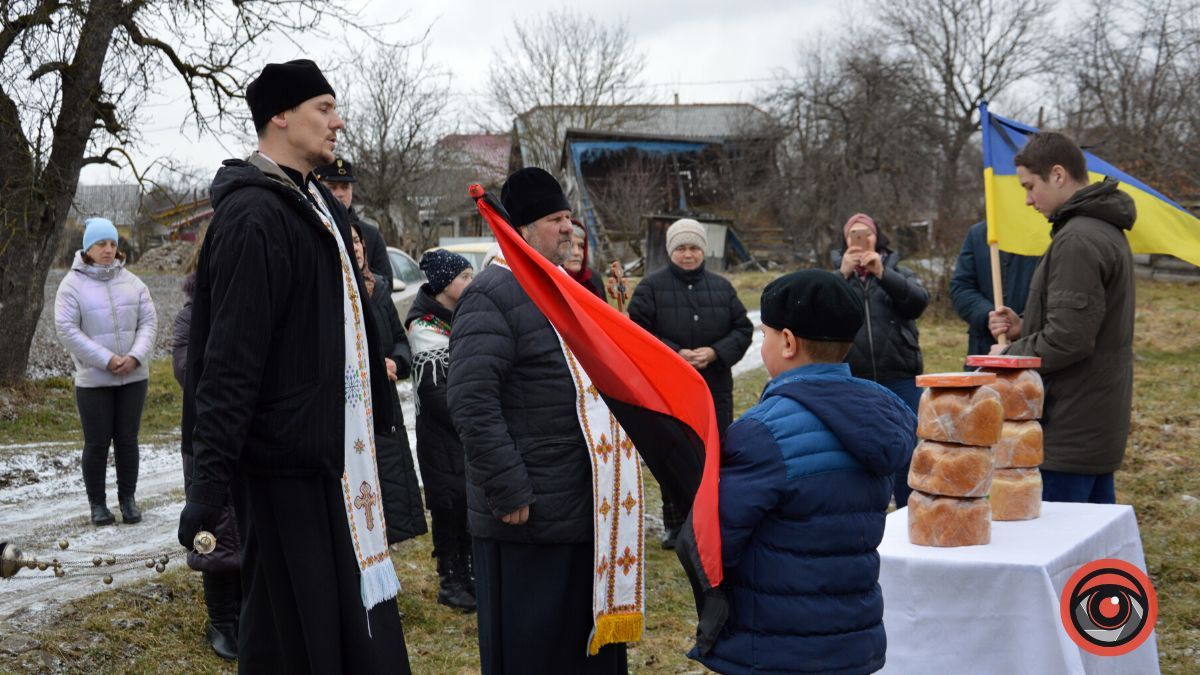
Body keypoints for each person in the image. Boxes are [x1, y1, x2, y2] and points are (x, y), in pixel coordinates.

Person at [175, 59, 411, 672]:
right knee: (296, 640)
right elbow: (230, 360)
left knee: (343, 634)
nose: (338, 122)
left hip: (335, 460)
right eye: (323, 108)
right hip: (285, 467)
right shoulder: (254, 215)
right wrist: (207, 485)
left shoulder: (317, 204)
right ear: (280, 115)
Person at [447, 167, 629, 674]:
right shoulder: (492, 294)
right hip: (526, 515)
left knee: (577, 646)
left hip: (578, 502)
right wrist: (508, 490)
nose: (569, 228)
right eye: (555, 219)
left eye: (569, 217)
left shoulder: (559, 287)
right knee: (534, 650)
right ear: (522, 228)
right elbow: (471, 400)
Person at [692, 269, 917, 675]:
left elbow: (715, 544)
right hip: (852, 639)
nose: (763, 345)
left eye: (765, 335)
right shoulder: (878, 417)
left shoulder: (762, 433)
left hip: (776, 647)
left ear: (788, 342)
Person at [988, 131, 1135, 505]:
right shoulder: (1100, 230)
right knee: (1095, 539)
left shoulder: (1077, 240)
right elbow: (1086, 322)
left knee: (1060, 537)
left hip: (1069, 428)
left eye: (1030, 186)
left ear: (1057, 175)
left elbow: (1068, 339)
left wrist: (1006, 356)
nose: (1027, 200)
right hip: (1093, 423)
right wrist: (1025, 325)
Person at [628, 218, 752, 548]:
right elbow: (636, 330)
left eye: (694, 248)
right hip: (667, 388)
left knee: (713, 452)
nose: (688, 254)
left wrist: (715, 352)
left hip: (714, 387)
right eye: (681, 248)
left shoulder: (722, 288)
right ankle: (675, 523)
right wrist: (673, 354)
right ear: (671, 251)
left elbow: (743, 329)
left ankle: (712, 519)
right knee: (672, 454)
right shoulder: (650, 288)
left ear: (703, 251)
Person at [54, 217, 158, 526]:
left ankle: (128, 500)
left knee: (127, 440)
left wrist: (135, 357)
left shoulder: (134, 283)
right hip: (94, 379)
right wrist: (106, 360)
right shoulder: (71, 285)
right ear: (87, 248)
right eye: (101, 244)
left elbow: (149, 322)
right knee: (97, 444)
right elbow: (66, 328)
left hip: (133, 377)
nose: (109, 249)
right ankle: (98, 505)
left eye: (113, 243)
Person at [171, 229, 240, 661]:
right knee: (215, 529)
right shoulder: (191, 315)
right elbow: (187, 370)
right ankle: (221, 620)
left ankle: (249, 611)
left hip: (249, 434)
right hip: (205, 434)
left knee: (247, 525)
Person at [833, 213, 928, 507]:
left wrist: (883, 273)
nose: (861, 239)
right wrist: (842, 276)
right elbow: (819, 312)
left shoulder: (898, 271)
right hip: (853, 378)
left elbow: (918, 303)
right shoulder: (835, 277)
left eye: (867, 233)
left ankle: (908, 510)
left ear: (877, 237)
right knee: (857, 447)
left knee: (905, 447)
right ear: (846, 240)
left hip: (900, 375)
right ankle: (865, 511)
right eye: (854, 233)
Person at [405, 249, 476, 611]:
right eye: (464, 277)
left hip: (463, 433)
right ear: (444, 284)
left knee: (468, 504)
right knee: (449, 505)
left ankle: (469, 575)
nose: (470, 282)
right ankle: (450, 579)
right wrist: (472, 414)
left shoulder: (462, 317)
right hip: (441, 436)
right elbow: (436, 394)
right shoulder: (425, 328)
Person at [350, 220, 427, 547]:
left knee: (390, 484)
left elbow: (399, 340)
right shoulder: (331, 291)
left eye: (358, 241)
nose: (355, 247)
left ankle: (385, 549)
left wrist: (396, 361)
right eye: (348, 242)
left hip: (385, 405)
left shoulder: (378, 288)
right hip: (353, 407)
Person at [949, 221, 1040, 356]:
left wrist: (1024, 323)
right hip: (984, 348)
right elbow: (961, 287)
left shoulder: (1047, 232)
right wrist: (990, 316)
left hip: (1036, 349)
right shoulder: (978, 234)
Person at [316, 157, 392, 291]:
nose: (340, 194)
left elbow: (386, 285)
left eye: (345, 187)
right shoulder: (311, 228)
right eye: (332, 187)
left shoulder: (371, 235)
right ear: (318, 189)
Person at [564, 218, 607, 301]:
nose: (577, 253)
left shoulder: (594, 279)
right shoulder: (552, 281)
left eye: (581, 246)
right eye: (570, 246)